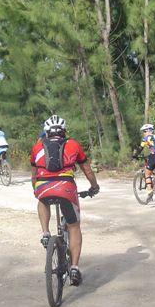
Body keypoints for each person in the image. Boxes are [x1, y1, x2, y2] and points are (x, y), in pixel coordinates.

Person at [30, 114, 99, 286]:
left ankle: (45, 233)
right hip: (66, 188)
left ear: (46, 132)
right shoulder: (73, 144)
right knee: (74, 226)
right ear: (64, 131)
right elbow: (87, 170)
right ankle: (74, 267)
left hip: (43, 186)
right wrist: (94, 186)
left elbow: (33, 174)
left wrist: (36, 189)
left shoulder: (37, 146)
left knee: (42, 200)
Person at [132, 123, 155, 196]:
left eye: (144, 131)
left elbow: (140, 148)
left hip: (154, 155)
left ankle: (149, 189)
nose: (143, 133)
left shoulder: (146, 138)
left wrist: (135, 155)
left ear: (148, 131)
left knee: (147, 173)